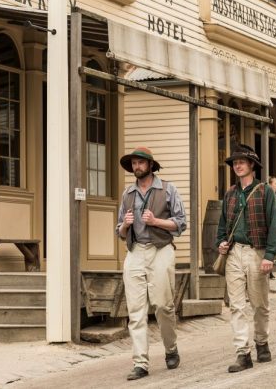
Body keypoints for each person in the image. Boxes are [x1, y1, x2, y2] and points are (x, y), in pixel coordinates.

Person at [115, 147, 187, 381]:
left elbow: (181, 223)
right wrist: (125, 225)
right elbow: (120, 232)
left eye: (140, 163)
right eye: (133, 163)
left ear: (150, 165)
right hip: (135, 252)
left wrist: (156, 221)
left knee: (163, 305)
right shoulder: (128, 194)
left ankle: (171, 348)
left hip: (161, 250)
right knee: (136, 311)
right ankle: (140, 363)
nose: (136, 166)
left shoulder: (168, 189)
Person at [216, 144, 276, 373]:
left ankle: (262, 342)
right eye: (235, 162)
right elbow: (222, 225)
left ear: (252, 165)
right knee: (236, 306)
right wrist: (221, 242)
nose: (238, 165)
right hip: (234, 252)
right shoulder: (230, 193)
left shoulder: (265, 191)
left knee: (260, 304)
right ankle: (242, 353)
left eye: (242, 161)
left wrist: (270, 255)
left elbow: (275, 224)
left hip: (257, 252)